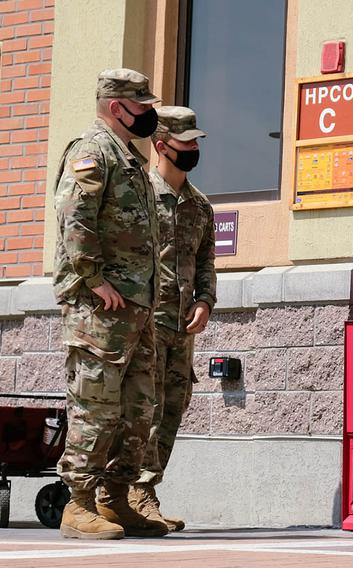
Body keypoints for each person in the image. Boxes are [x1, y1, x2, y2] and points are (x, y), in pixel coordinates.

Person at [54, 68, 168, 539]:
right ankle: (77, 504)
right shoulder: (91, 152)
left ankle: (115, 499)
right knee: (95, 404)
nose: (148, 114)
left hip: (136, 306)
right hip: (100, 308)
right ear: (116, 107)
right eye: (141, 106)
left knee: (139, 408)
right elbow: (73, 217)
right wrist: (93, 278)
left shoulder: (129, 157)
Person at [130, 106, 217, 533]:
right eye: (186, 143)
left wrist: (206, 301)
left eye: (197, 142)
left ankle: (146, 490)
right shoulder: (139, 195)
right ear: (161, 145)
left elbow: (205, 261)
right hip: (144, 323)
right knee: (143, 407)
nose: (194, 149)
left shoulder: (199, 206)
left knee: (172, 408)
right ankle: (131, 492)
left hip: (182, 327)